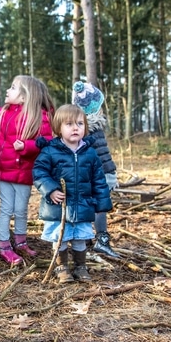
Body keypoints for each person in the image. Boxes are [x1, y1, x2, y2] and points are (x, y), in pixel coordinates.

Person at [0, 75, 54, 265]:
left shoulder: (40, 118)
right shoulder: (5, 113)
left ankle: (21, 242)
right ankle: (4, 245)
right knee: (6, 209)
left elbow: (46, 142)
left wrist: (27, 147)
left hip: (24, 173)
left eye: (13, 88)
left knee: (21, 210)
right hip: (4, 170)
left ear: (24, 97)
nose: (8, 90)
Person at [33, 104, 113, 283]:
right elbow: (39, 172)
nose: (75, 128)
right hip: (58, 208)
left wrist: (102, 204)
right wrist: (50, 189)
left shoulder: (90, 153)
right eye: (69, 124)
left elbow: (99, 180)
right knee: (60, 238)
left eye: (79, 123)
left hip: (83, 205)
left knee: (80, 238)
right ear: (58, 128)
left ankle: (80, 267)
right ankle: (61, 267)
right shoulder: (50, 151)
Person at [72, 81, 121, 258]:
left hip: (83, 175)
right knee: (100, 206)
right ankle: (101, 240)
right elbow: (104, 155)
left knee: (86, 206)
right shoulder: (96, 130)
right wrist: (111, 175)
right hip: (98, 176)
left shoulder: (77, 130)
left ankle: (84, 240)